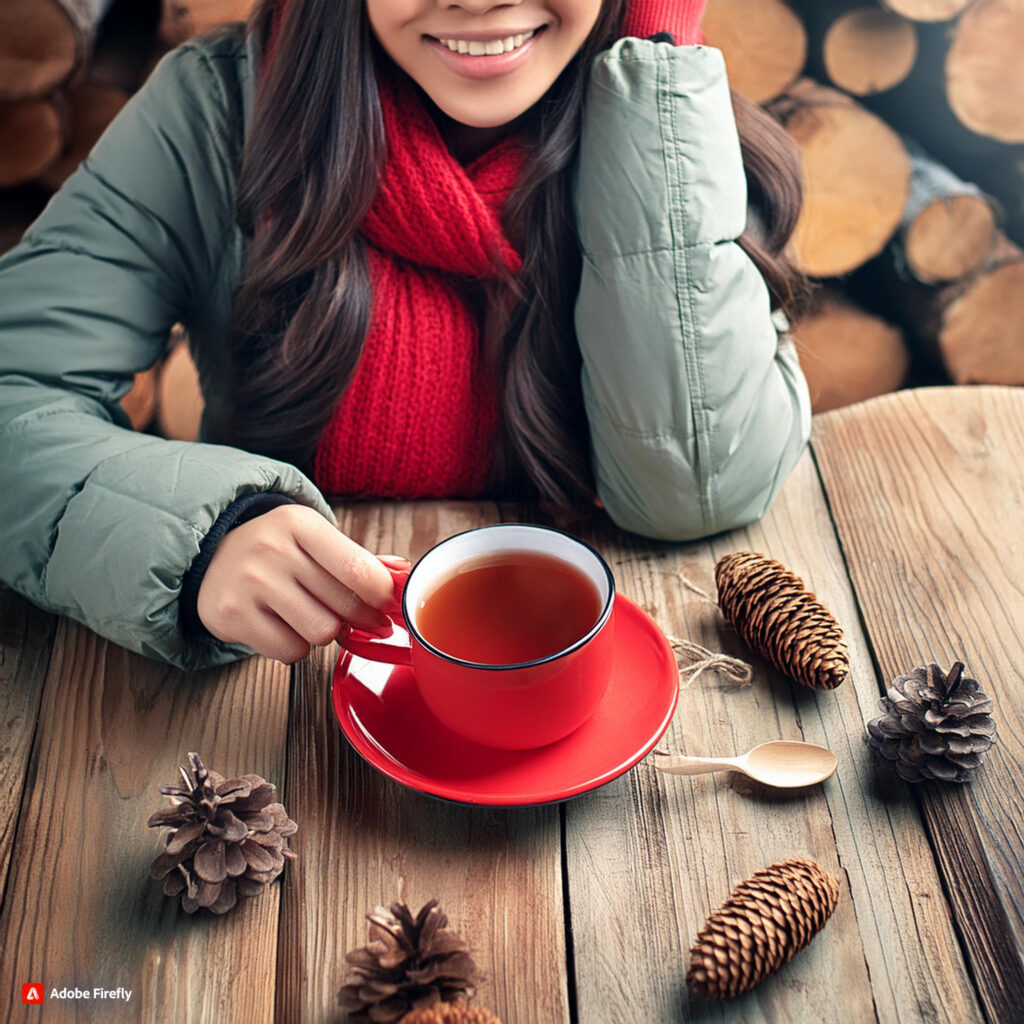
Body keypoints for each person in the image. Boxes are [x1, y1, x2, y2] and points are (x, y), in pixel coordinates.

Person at [0, 0, 811, 671]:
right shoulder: (215, 108)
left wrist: (655, 72)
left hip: (595, 663)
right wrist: (193, 538)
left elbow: (697, 486)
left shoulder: (669, 122)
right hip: (279, 688)